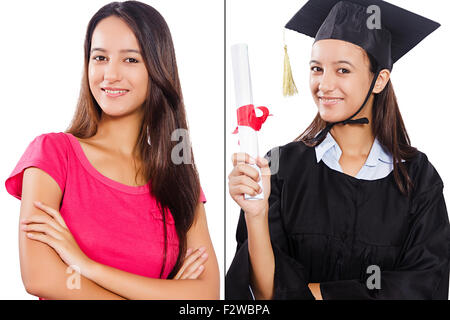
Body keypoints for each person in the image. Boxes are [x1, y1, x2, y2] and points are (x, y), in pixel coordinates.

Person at [226, 0, 449, 300]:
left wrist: (318, 294)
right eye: (316, 68)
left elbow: (423, 286)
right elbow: (268, 295)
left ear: (379, 79)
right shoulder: (281, 168)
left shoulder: (416, 179)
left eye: (342, 70)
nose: (324, 84)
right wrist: (256, 213)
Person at [5, 1, 219, 300]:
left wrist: (86, 266)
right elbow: (41, 277)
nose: (110, 74)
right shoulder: (53, 153)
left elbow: (206, 295)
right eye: (100, 57)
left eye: (130, 60)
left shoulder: (179, 176)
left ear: (157, 68)